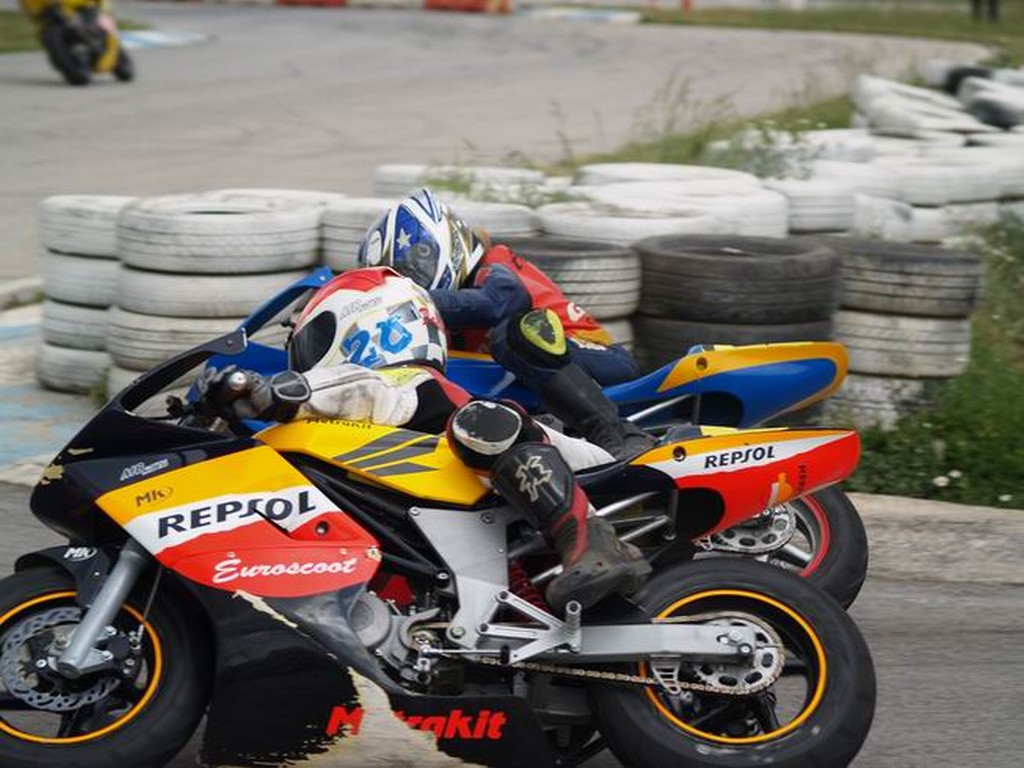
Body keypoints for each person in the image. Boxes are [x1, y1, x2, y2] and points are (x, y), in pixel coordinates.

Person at [198, 267, 650, 613]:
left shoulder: (410, 385)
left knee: (481, 424)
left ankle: (591, 541)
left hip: (599, 475)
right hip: (529, 507)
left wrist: (275, 392)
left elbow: (363, 388)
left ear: (366, 326)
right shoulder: (385, 419)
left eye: (315, 341)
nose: (309, 357)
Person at [356, 188, 651, 459]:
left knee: (513, 335)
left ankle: (619, 432)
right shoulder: (442, 311)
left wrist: (405, 296)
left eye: (410, 270)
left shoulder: (494, 267)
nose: (408, 280)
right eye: (399, 276)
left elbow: (499, 303)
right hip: (537, 384)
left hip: (600, 360)